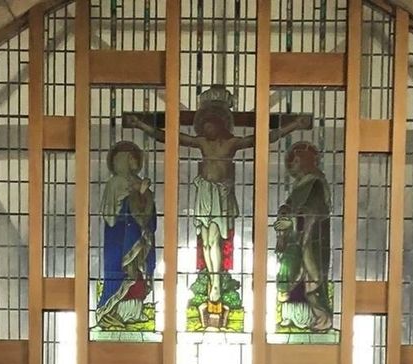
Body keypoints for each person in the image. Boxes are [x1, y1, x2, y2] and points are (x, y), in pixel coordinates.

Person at [126, 86, 308, 312]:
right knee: (207, 240)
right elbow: (168, 137)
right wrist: (141, 124)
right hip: (204, 193)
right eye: (204, 125)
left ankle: (216, 283)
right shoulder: (202, 143)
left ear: (220, 124)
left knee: (215, 239)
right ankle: (214, 281)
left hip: (222, 195)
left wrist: (294, 126)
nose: (206, 128)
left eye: (210, 124)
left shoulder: (231, 143)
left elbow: (264, 138)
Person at [96, 140, 157, 331]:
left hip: (136, 236)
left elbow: (146, 213)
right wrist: (138, 193)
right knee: (121, 273)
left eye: (136, 159)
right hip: (120, 237)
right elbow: (115, 213)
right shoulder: (116, 183)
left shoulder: (136, 182)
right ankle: (113, 313)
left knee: (137, 272)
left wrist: (144, 194)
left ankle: (133, 314)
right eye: (131, 158)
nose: (135, 162)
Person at [273, 140, 333, 333]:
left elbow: (312, 212)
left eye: (296, 161)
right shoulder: (300, 185)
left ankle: (321, 317)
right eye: (291, 162)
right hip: (297, 238)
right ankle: (293, 317)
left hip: (312, 238)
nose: (292, 166)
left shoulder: (315, 183)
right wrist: (285, 213)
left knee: (312, 276)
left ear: (306, 161)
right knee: (289, 274)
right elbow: (291, 207)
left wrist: (292, 220)